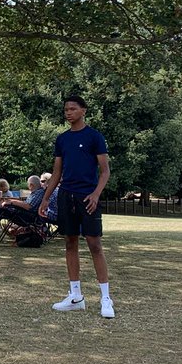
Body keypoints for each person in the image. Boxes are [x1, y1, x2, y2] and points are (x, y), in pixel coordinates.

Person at [39, 96, 114, 318]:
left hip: (88, 197)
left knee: (95, 245)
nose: (68, 112)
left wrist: (96, 194)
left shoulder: (94, 137)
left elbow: (105, 171)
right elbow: (57, 172)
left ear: (83, 111)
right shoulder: (62, 139)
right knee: (70, 243)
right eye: (66, 109)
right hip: (66, 196)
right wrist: (45, 198)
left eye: (73, 109)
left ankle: (106, 298)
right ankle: (75, 296)